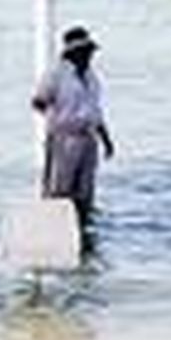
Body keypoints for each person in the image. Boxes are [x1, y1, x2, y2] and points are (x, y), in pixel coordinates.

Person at [31, 25, 115, 231]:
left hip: (88, 137)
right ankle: (54, 229)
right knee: (60, 188)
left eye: (90, 52)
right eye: (85, 52)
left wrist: (106, 139)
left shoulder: (91, 77)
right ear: (74, 52)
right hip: (64, 137)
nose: (89, 56)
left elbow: (96, 110)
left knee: (85, 190)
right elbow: (39, 101)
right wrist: (57, 119)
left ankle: (82, 226)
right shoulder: (56, 74)